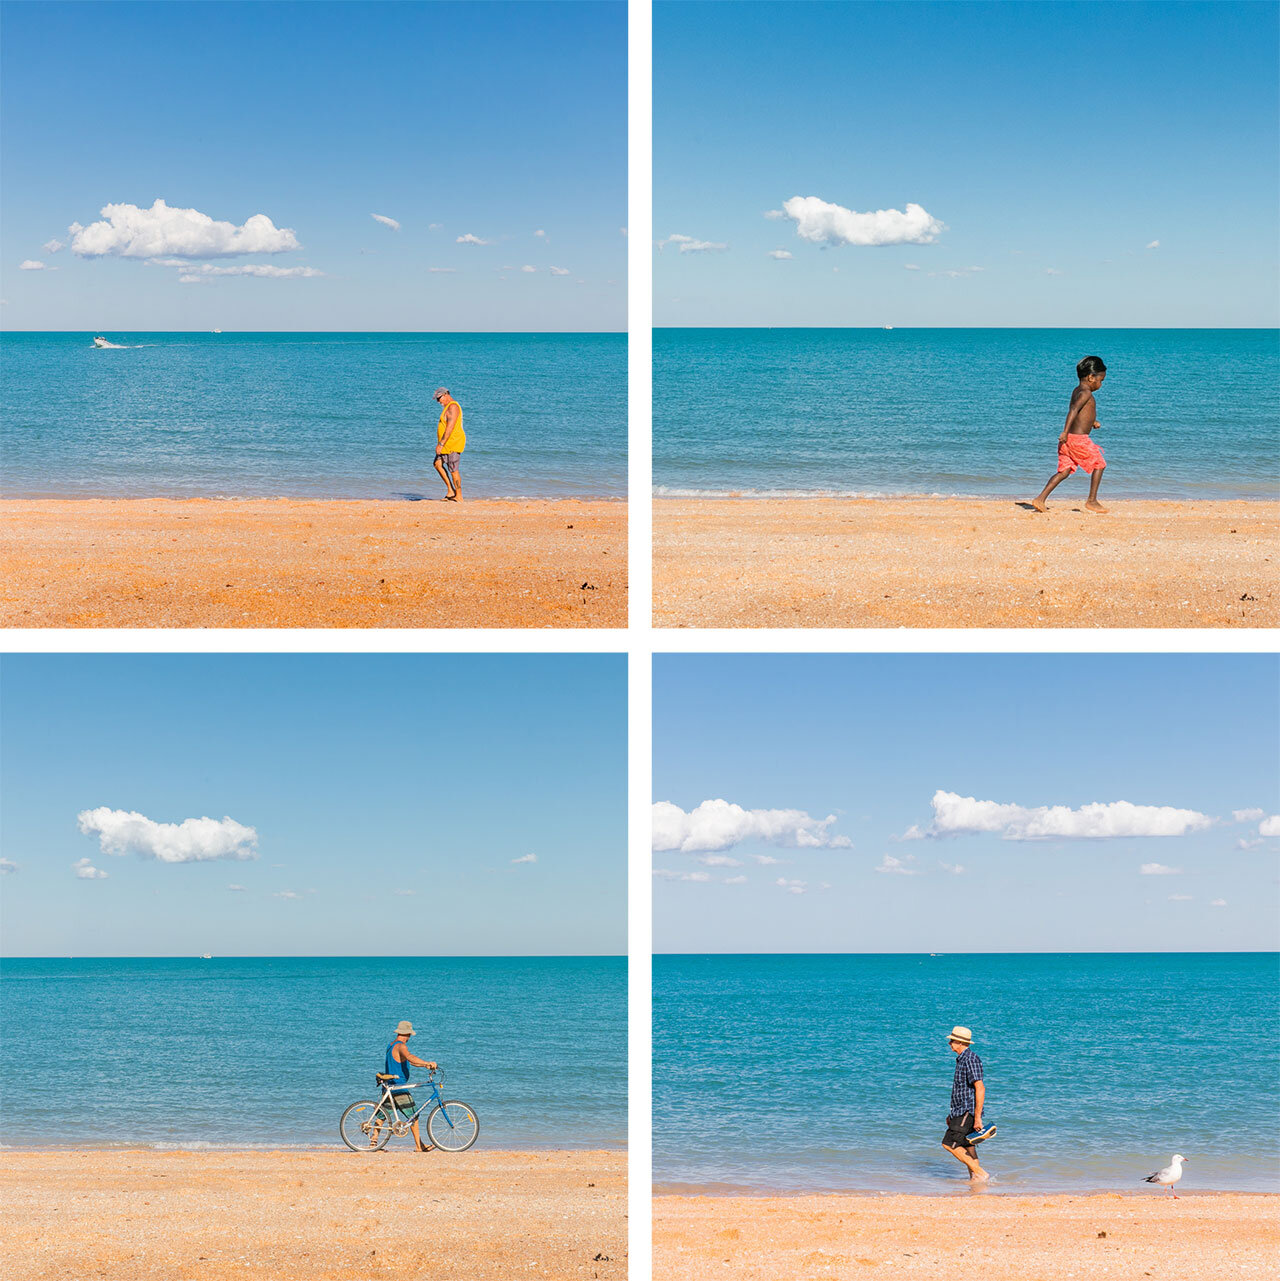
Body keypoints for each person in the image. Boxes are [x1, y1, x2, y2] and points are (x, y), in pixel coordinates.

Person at [1030, 355, 1109, 513]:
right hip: (1077, 440)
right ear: (1091, 377)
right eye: (1101, 380)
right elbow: (1073, 411)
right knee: (1099, 464)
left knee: (1064, 471)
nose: (1101, 384)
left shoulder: (1077, 390)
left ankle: (1040, 499)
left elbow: (1079, 413)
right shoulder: (1086, 393)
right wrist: (1065, 431)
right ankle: (1092, 500)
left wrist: (1092, 421)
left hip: (1068, 442)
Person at [374, 1019, 438, 1152]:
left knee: (382, 1115)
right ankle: (419, 1146)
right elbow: (410, 1057)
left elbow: (411, 1062)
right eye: (409, 1035)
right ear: (407, 1034)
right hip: (398, 1087)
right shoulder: (401, 1046)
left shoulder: (391, 1045)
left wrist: (424, 1065)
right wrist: (428, 1062)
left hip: (389, 1086)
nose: (409, 1038)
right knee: (414, 1115)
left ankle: (373, 1143)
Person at [942, 1025, 994, 1182]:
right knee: (968, 1146)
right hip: (960, 1111)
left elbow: (980, 1087)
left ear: (959, 1042)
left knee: (949, 1143)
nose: (949, 1043)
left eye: (951, 1040)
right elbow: (962, 1089)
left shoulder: (971, 1059)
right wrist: (952, 1115)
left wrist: (977, 1118)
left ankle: (981, 1173)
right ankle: (976, 1181)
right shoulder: (962, 1059)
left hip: (967, 1110)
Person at [432, 387, 466, 501]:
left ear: (445, 395)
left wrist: (441, 444)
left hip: (452, 443)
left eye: (439, 398)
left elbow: (450, 427)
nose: (438, 401)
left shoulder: (453, 407)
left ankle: (459, 496)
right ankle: (451, 491)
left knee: (453, 470)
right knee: (437, 464)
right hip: (446, 444)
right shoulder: (447, 407)